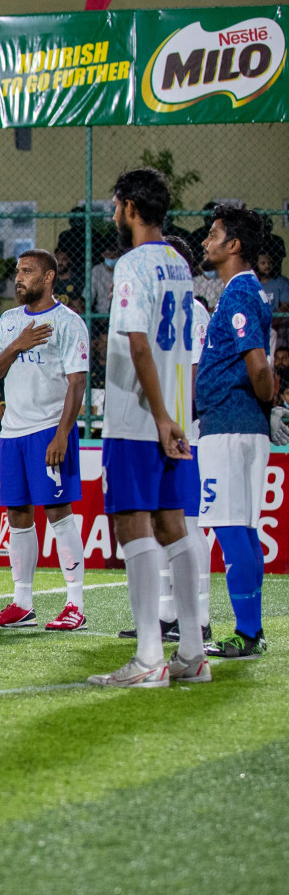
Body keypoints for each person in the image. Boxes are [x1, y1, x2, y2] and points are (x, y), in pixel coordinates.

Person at [87, 167, 206, 689]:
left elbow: (137, 344)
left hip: (141, 420)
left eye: (116, 205)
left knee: (133, 524)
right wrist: (175, 413)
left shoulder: (133, 265)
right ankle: (193, 654)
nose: (114, 213)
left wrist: (158, 416)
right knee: (173, 523)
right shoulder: (179, 264)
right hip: (175, 418)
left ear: (132, 207)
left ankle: (148, 658)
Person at [0, 249, 91, 632]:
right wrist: (17, 345)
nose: (19, 278)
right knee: (17, 516)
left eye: (28, 272)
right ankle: (22, 603)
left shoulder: (68, 322)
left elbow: (77, 383)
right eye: (17, 271)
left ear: (48, 277)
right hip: (12, 433)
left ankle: (75, 603)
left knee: (59, 514)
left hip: (50, 430)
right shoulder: (9, 322)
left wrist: (63, 433)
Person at [197, 206, 276, 660]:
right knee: (243, 528)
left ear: (234, 246)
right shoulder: (250, 292)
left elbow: (259, 365)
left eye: (213, 234)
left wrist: (263, 396)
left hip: (229, 425)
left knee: (230, 527)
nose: (206, 241)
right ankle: (252, 629)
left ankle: (247, 633)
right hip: (242, 425)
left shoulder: (238, 293)